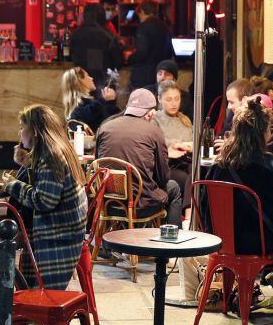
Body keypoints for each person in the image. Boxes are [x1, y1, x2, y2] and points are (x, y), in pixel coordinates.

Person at [207, 98, 273, 318]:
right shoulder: (269, 167)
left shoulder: (218, 165)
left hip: (220, 240)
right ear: (263, 132)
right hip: (256, 241)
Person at [2, 105, 88, 290]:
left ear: (34, 130)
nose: (19, 133)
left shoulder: (51, 155)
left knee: (2, 243)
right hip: (65, 229)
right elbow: (47, 182)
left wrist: (12, 185)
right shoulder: (55, 148)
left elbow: (44, 200)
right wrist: (26, 162)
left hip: (58, 236)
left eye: (21, 127)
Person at [96, 88, 183, 226]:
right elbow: (163, 176)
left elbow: (98, 165)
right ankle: (172, 242)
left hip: (107, 202)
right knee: (173, 187)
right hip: (139, 205)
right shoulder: (154, 131)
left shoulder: (105, 127)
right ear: (149, 114)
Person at [155, 79, 194, 195]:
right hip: (168, 166)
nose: (174, 103)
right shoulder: (155, 119)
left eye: (177, 99)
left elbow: (193, 141)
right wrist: (178, 144)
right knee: (189, 178)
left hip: (187, 161)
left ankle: (192, 211)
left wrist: (190, 146)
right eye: (169, 99)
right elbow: (157, 143)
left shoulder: (185, 119)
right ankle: (189, 211)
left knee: (199, 173)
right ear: (159, 99)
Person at [69, 3, 123, 83]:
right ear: (102, 15)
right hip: (104, 82)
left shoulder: (75, 34)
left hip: (81, 81)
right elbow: (118, 62)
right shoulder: (108, 35)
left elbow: (72, 57)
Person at [127, 0, 175, 90]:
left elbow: (142, 53)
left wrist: (129, 59)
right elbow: (170, 51)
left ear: (142, 11)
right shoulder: (164, 26)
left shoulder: (144, 27)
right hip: (159, 74)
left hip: (143, 76)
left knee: (138, 102)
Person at [61, 66, 118, 133]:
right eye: (87, 76)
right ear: (79, 81)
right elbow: (113, 126)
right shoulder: (92, 108)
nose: (91, 78)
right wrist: (110, 102)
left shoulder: (77, 108)